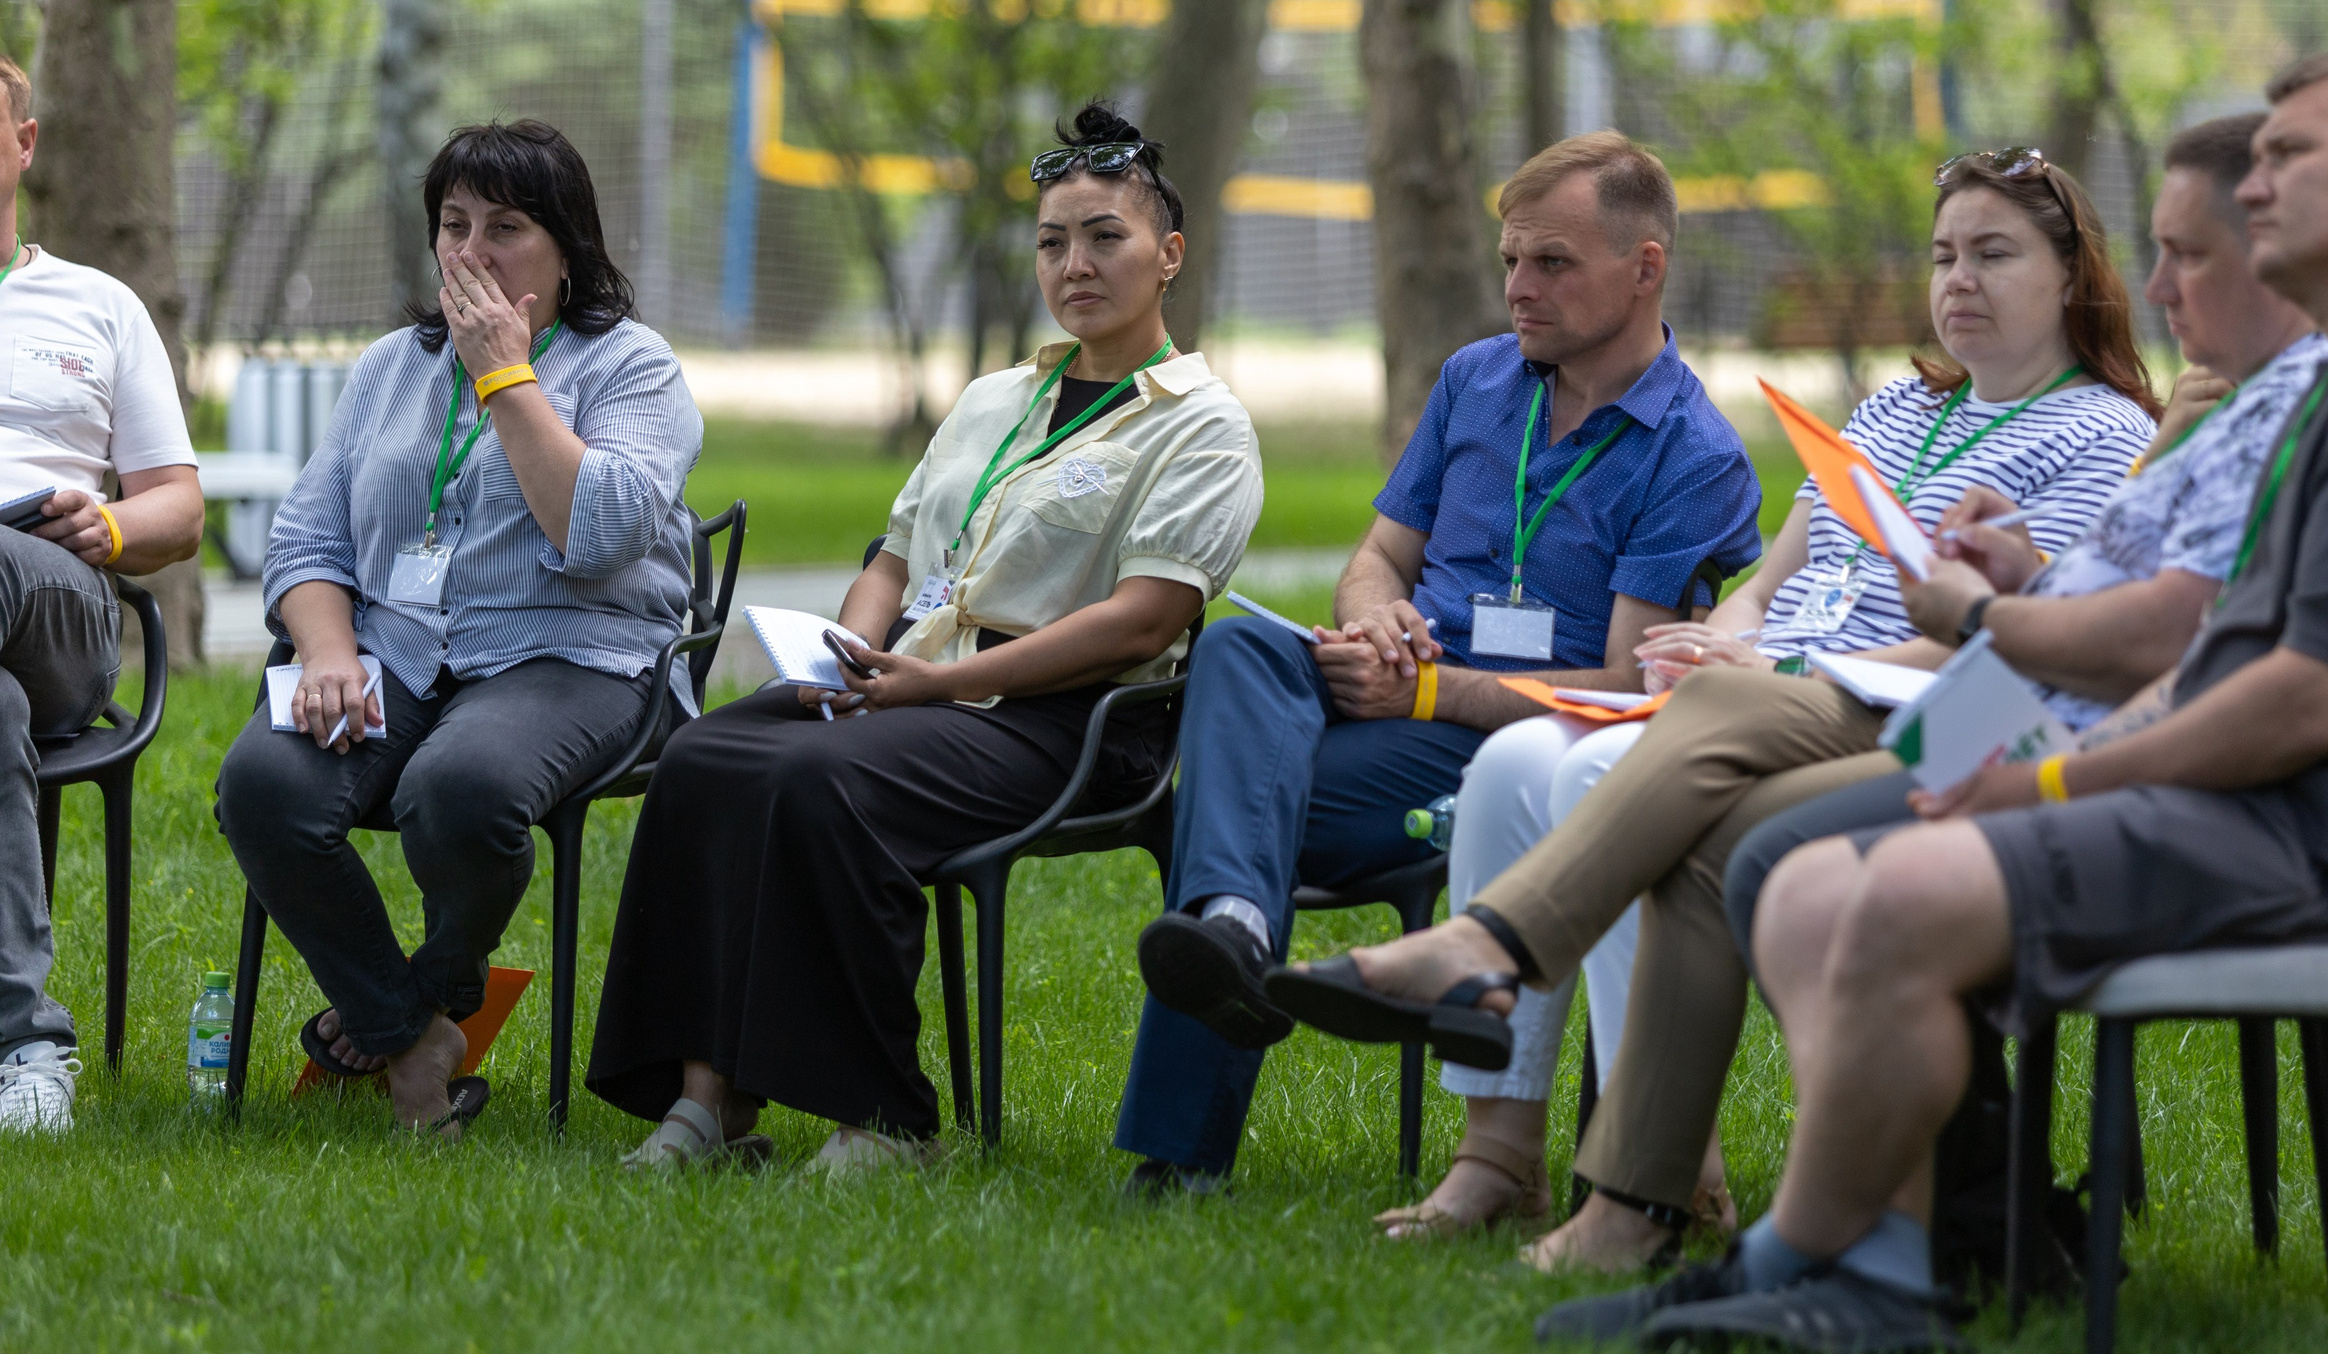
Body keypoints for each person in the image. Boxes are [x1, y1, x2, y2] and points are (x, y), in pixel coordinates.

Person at [1545, 50, 2328, 1351]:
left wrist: (2050, 776)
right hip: (2247, 797)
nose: (2256, 186)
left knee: (1884, 875)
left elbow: (2304, 706)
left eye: (2289, 158)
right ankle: (1882, 1265)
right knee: (1800, 877)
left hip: (2314, 834)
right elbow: (2218, 649)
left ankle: (1814, 1265)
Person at [1271, 147, 2163, 1265]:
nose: (1958, 280)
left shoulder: (2102, 432)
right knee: (1507, 768)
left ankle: (1644, 1160)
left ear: (2072, 273)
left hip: (1924, 704)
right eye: (1942, 254)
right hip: (1771, 689)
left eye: (1993, 254)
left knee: (1594, 770)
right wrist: (1721, 637)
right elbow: (1774, 577)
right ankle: (1495, 1152)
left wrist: (1767, 672)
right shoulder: (1896, 406)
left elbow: (1995, 634)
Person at [586, 102, 1260, 1174]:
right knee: (706, 756)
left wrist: (926, 690)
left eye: (1104, 237)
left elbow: (1143, 618)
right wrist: (844, 658)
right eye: (1052, 240)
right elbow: (895, 556)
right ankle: (708, 1101)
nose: (1074, 262)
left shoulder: (1201, 423)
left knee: (827, 782)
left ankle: (885, 1119)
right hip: (910, 677)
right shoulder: (999, 395)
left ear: (1168, 254)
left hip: (1068, 718)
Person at [1111, 131, 1763, 1201]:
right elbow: (1378, 558)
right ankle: (1233, 923)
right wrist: (1376, 623)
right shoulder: (1475, 378)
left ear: (1645, 266)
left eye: (1551, 262)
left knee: (1222, 813)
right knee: (1237, 642)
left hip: (1505, 750)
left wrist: (1432, 688)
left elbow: (1627, 683)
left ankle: (1185, 1127)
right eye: (1509, 258)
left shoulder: (1693, 454)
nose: (1517, 286)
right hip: (1386, 701)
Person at [1718, 113, 2328, 968]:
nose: (2157, 288)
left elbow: (2162, 645)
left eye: (2188, 256)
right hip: (2017, 724)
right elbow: (2115, 604)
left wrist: (1989, 630)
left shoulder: (2269, 417)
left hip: (2018, 729)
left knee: (1747, 838)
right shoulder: (2212, 412)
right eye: (1942, 257)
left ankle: (1502, 950)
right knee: (1686, 786)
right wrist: (2027, 577)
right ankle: (1515, 970)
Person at [216, 120, 700, 1134]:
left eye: (507, 227)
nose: (472, 252)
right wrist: (330, 650)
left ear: (568, 246)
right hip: (395, 648)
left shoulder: (632, 365)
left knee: (461, 787)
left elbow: (599, 531)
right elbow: (309, 535)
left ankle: (424, 993)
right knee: (263, 784)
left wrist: (506, 375)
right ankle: (413, 1034)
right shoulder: (392, 364)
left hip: (571, 648)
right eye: (453, 224)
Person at [0, 54, 204, 1135]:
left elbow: (180, 506)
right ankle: (25, 1042)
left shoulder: (97, 303)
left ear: (23, 144)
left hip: (57, 591)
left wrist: (112, 524)